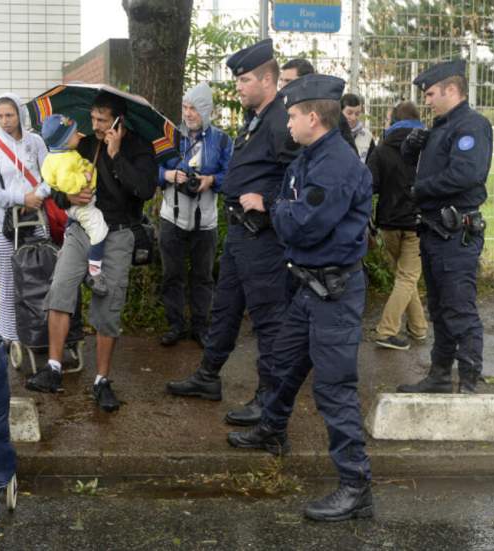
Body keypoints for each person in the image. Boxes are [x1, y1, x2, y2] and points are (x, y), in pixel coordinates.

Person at [228, 74, 375, 521]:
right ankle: (272, 429)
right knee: (283, 363)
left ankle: (356, 487)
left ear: (313, 117)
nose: (286, 123)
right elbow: (291, 205)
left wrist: (275, 210)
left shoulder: (336, 164)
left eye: (291, 115)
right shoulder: (310, 157)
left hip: (334, 291)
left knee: (333, 390)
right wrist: (283, 209)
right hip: (309, 286)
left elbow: (303, 223)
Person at [165, 39, 296, 427]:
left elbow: (296, 176)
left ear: (268, 80)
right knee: (224, 309)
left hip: (262, 237)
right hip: (240, 234)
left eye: (245, 79)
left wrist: (269, 203)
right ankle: (208, 377)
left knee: (268, 321)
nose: (237, 86)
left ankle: (268, 399)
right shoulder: (256, 117)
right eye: (237, 79)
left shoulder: (280, 121)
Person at [25, 92, 157, 412]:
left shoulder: (139, 148)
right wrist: (69, 198)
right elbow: (55, 188)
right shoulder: (84, 144)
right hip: (81, 230)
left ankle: (102, 380)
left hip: (119, 234)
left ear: (118, 120)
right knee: (60, 287)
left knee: (108, 303)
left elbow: (145, 190)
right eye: (93, 118)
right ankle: (54, 368)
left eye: (101, 119)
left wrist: (115, 156)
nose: (95, 125)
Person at [397, 59, 490, 394]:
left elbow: (466, 175)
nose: (427, 100)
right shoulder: (440, 127)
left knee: (458, 308)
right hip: (435, 231)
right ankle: (439, 375)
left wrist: (420, 190)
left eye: (432, 93)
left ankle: (468, 382)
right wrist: (410, 152)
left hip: (455, 233)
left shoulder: (471, 126)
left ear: (452, 90)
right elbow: (426, 169)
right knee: (439, 308)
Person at [156, 82, 232, 347]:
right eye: (185, 107)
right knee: (172, 275)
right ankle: (175, 325)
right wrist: (167, 175)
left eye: (194, 109)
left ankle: (201, 326)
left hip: (206, 220)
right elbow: (150, 168)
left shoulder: (222, 140)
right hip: (171, 217)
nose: (188, 114)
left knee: (203, 276)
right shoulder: (170, 136)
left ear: (207, 110)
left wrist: (211, 180)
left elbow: (231, 176)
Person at [0, 93, 51, 343]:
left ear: (19, 115)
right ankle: (8, 337)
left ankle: (40, 334)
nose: (4, 120)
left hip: (37, 219)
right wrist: (22, 199)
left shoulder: (36, 142)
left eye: (9, 115)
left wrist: (37, 195)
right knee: (9, 283)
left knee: (41, 279)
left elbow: (49, 176)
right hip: (5, 225)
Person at [369, 101, 428, 350]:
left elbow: (370, 184)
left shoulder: (381, 148)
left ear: (393, 120)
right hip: (417, 222)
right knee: (407, 276)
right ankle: (387, 330)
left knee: (404, 276)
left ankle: (418, 328)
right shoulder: (427, 147)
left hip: (389, 222)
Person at [40, 114, 109, 296]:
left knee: (72, 221)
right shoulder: (64, 160)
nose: (79, 135)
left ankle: (65, 246)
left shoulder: (58, 156)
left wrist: (85, 166)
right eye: (73, 134)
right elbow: (66, 182)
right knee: (99, 229)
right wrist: (83, 177)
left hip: (73, 208)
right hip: (82, 205)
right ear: (64, 141)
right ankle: (94, 270)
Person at [280, 58, 358, 153]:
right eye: (281, 80)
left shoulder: (328, 112)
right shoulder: (281, 109)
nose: (282, 87)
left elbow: (349, 155)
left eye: (288, 81)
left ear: (305, 82)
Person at [340, 93, 375, 163]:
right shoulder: (332, 134)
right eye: (349, 113)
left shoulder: (367, 136)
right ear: (340, 112)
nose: (353, 118)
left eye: (357, 114)